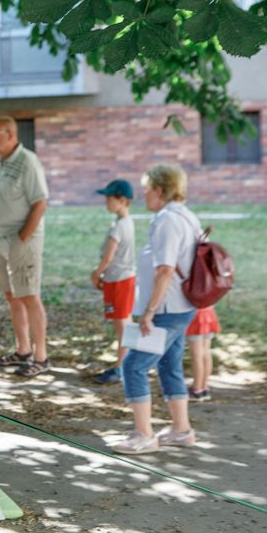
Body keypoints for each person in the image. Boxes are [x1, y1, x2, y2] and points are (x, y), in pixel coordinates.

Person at [112, 163, 200, 455]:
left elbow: (165, 270)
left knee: (133, 365)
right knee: (169, 364)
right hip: (182, 306)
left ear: (160, 190)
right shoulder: (186, 216)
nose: (144, 194)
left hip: (166, 308)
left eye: (147, 189)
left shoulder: (166, 220)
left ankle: (144, 435)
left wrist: (149, 312)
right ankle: (181, 430)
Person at [0, 116, 51, 377]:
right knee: (12, 296)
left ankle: (41, 357)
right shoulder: (3, 162)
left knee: (29, 296)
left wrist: (22, 238)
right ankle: (22, 350)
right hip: (0, 239)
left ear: (12, 135)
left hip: (21, 240)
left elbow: (40, 203)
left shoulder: (28, 161)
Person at [90, 179, 137, 385]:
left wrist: (96, 273)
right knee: (125, 322)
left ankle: (122, 367)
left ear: (123, 200)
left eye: (109, 198)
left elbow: (108, 258)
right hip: (124, 278)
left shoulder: (118, 227)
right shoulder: (127, 222)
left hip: (118, 279)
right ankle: (128, 362)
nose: (106, 201)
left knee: (122, 324)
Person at [186, 306, 220, 401]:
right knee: (205, 352)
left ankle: (197, 389)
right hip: (209, 312)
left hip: (195, 314)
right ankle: (204, 387)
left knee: (197, 354)